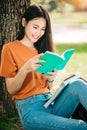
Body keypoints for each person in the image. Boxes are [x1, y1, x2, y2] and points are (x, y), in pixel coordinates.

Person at [0, 4, 87, 130]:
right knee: (81, 126)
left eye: (42, 29)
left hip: (51, 103)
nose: (38, 33)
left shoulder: (43, 50)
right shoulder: (10, 49)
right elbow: (11, 89)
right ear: (24, 22)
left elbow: (47, 87)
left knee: (77, 84)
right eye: (35, 27)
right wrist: (25, 69)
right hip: (31, 111)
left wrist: (50, 79)